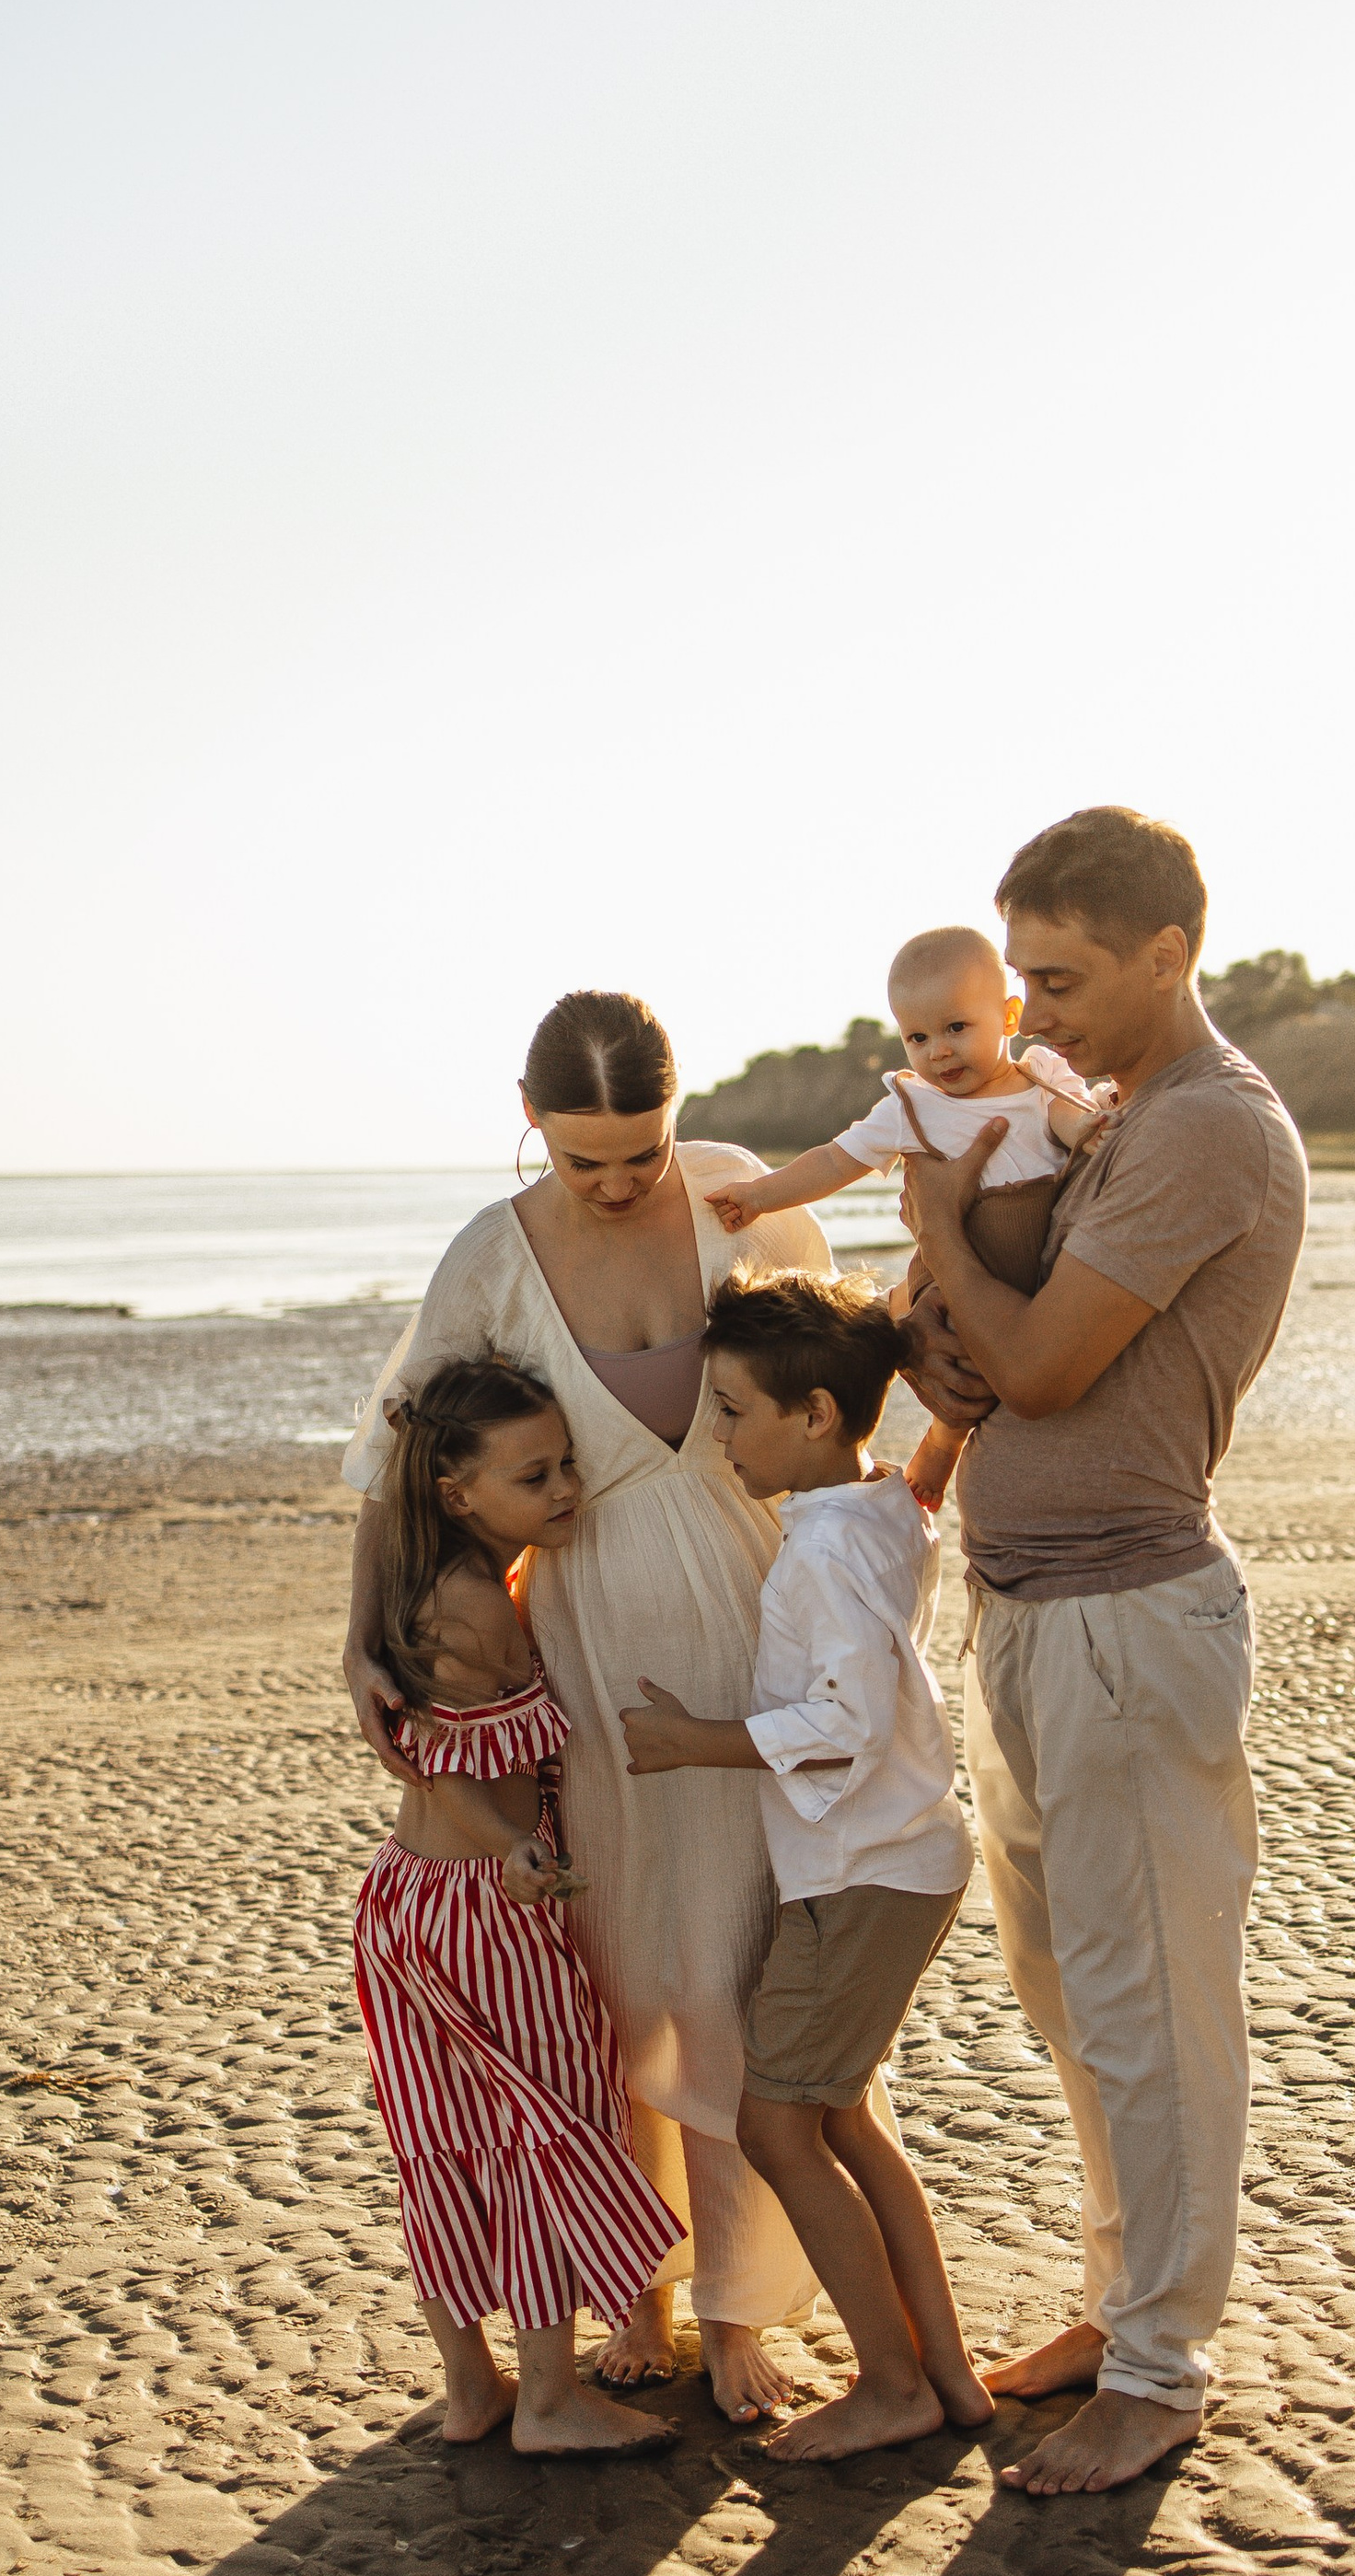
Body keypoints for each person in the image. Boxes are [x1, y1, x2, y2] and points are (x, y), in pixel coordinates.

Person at [342, 989, 840, 2425]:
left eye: (644, 1151)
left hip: (761, 1627)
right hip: (587, 1656)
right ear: (530, 1120)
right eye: (586, 1161)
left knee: (743, 1972)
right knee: (616, 1979)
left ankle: (746, 2306)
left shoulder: (750, 1206)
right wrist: (359, 1645)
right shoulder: (489, 1258)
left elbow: (833, 1395)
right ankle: (646, 2293)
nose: (623, 1185)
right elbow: (406, 1464)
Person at [899, 806, 1308, 2496]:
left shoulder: (1209, 1129)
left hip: (1132, 1626)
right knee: (1075, 2006)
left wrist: (936, 1242)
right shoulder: (1112, 1118)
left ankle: (1162, 2367)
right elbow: (973, 1362)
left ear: (1169, 955)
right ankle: (1117, 2302)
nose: (1032, 1016)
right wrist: (951, 1330)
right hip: (1028, 1610)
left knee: (1153, 2015)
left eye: (1059, 981)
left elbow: (1048, 1371)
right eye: (1023, 981)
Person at [617, 1271, 992, 2464]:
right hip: (896, 1861)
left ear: (818, 1417)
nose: (717, 1437)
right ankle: (944, 2368)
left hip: (862, 1871)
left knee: (778, 2129)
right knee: (840, 2122)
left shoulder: (823, 1555)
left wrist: (694, 1744)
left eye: (733, 1411)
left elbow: (846, 1719)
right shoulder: (874, 1508)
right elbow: (921, 1497)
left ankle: (893, 2384)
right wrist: (944, 1432)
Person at [352, 1352, 680, 2456]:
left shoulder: (433, 1574)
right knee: (547, 2125)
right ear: (457, 1492)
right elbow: (436, 1758)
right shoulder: (468, 1609)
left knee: (441, 2143)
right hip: (480, 1909)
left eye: (567, 1467)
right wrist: (514, 1853)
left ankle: (472, 2388)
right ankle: (547, 2399)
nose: (565, 1493)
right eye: (534, 1478)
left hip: (407, 1908)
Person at [709, 924, 1106, 1508]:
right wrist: (763, 1195)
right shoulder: (912, 1104)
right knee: (960, 1357)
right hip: (955, 1268)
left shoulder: (1042, 1075)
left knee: (1032, 1344)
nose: (938, 1051)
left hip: (1035, 1259)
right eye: (918, 1037)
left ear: (1011, 1017)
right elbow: (836, 1159)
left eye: (956, 1028)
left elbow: (1072, 1120)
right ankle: (942, 1443)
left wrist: (1092, 1128)